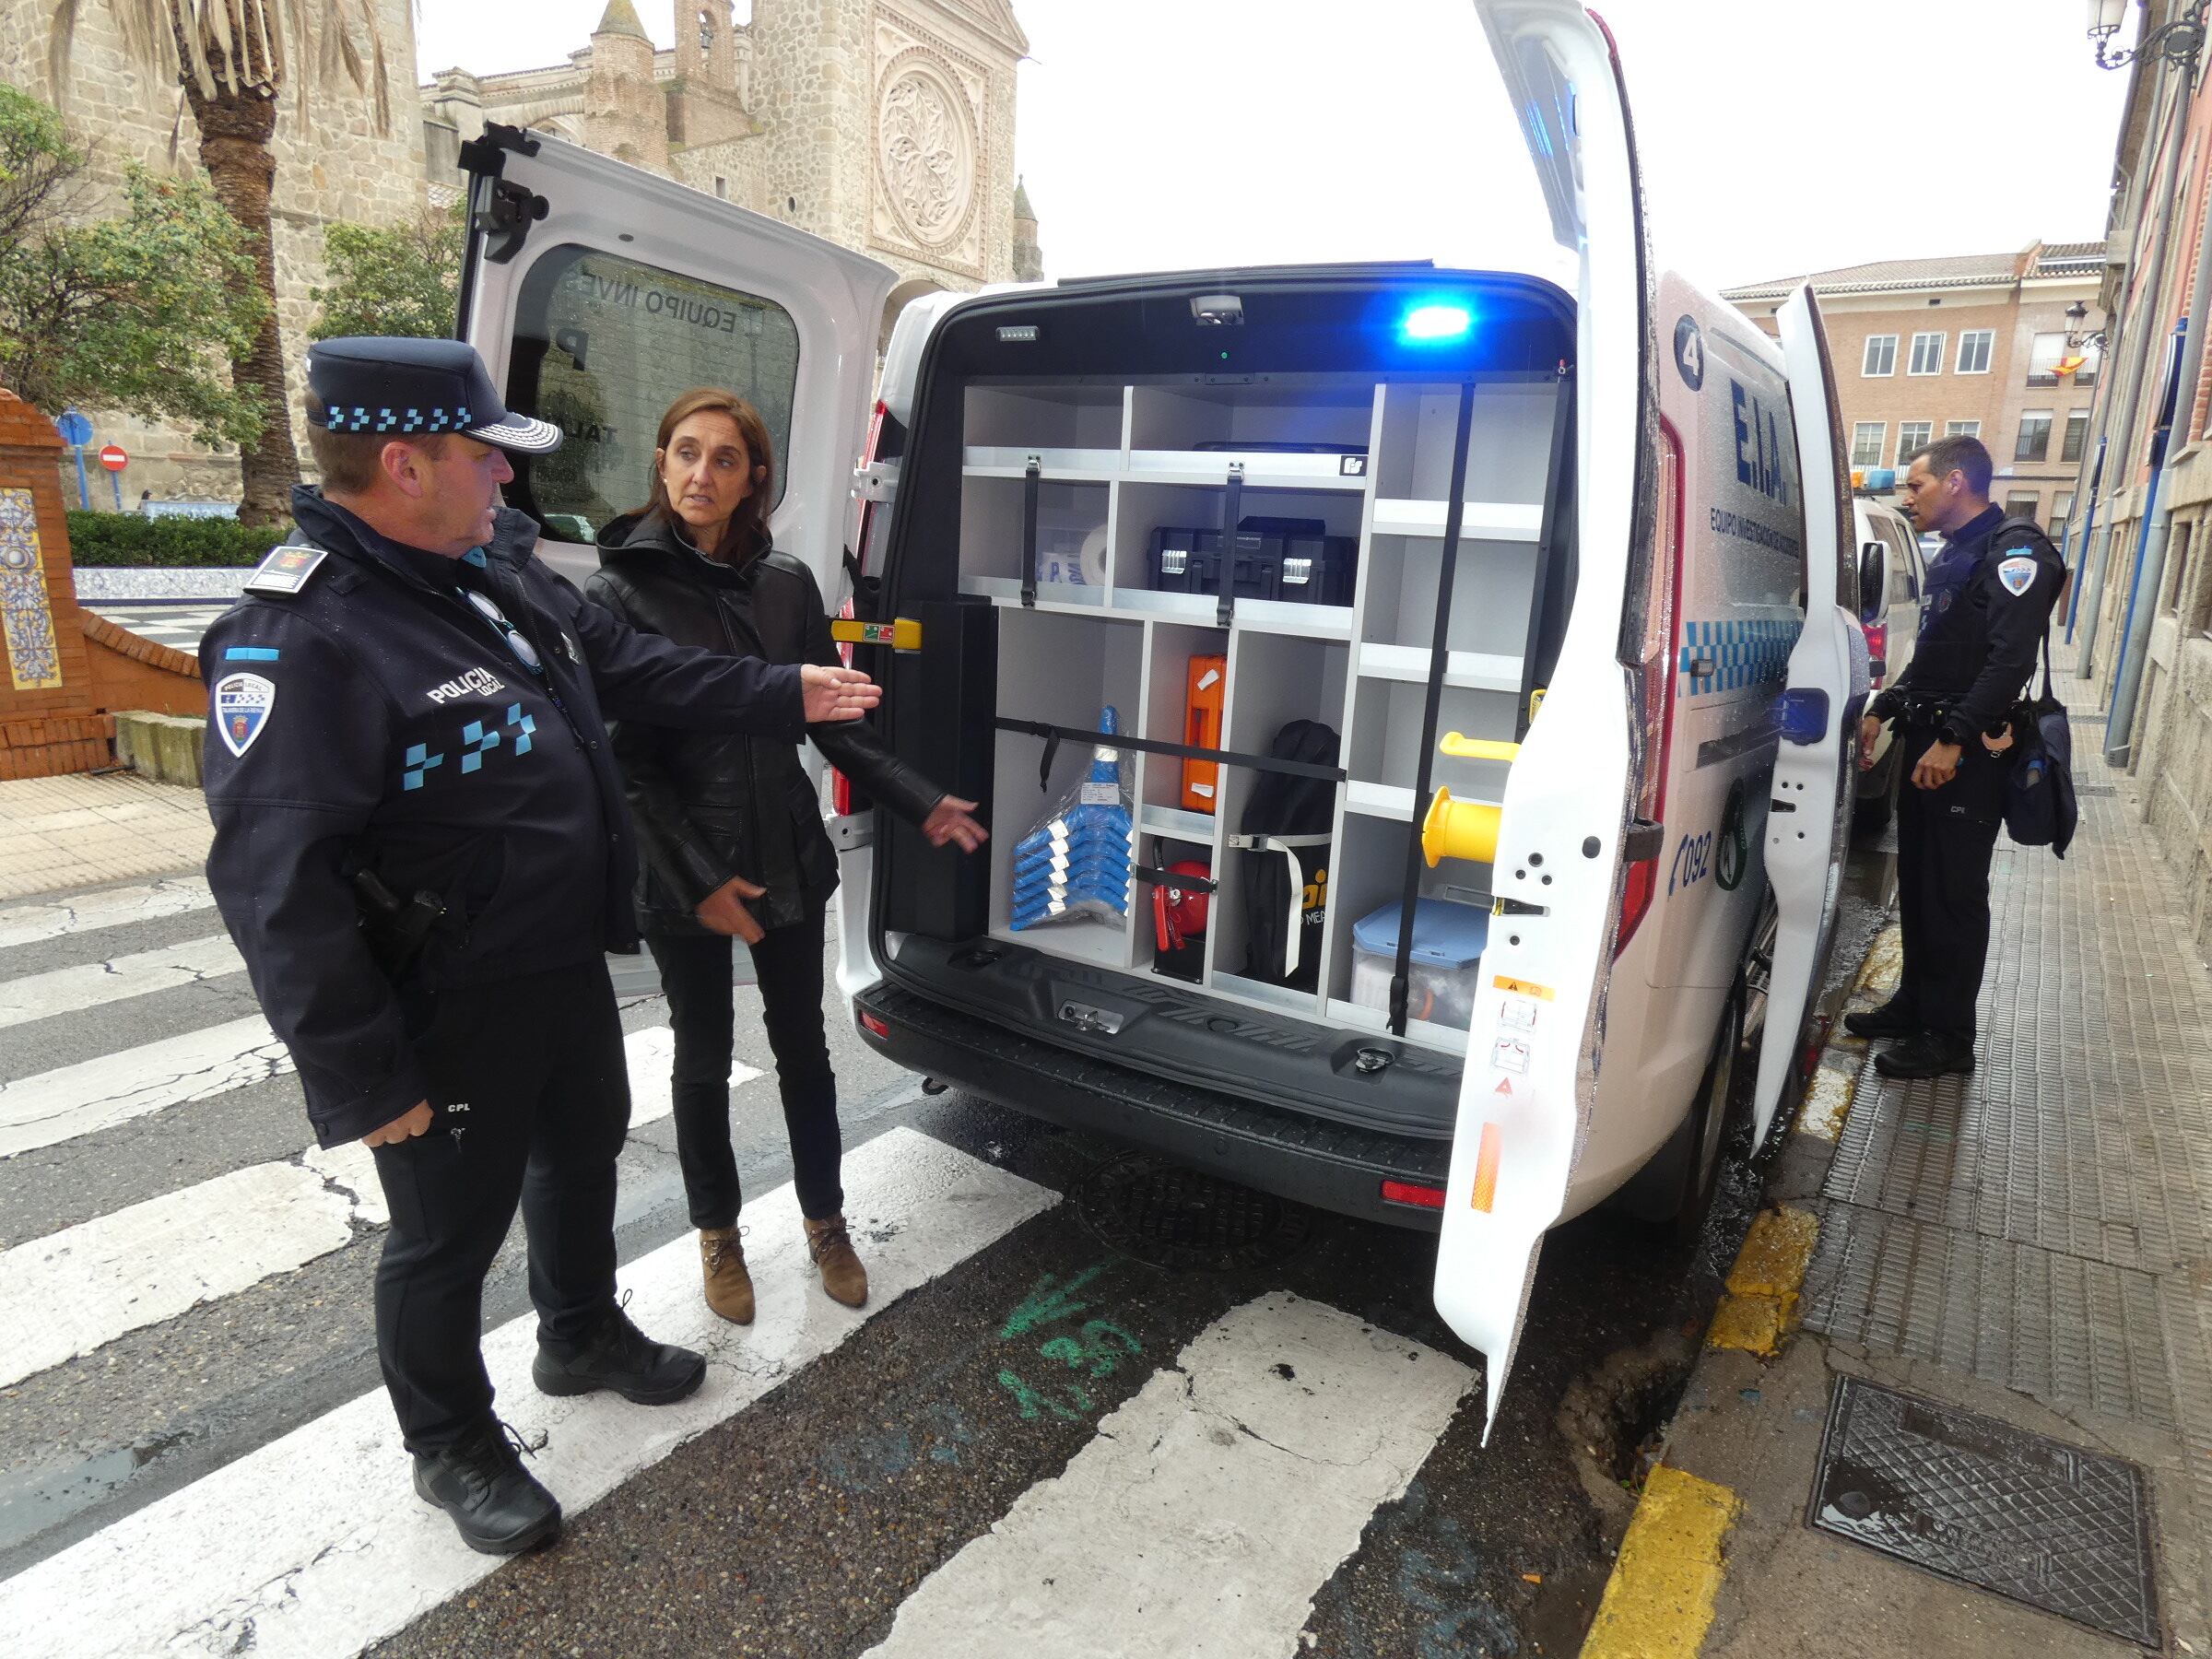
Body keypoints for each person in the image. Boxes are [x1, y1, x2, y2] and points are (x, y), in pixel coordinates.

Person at [198, 337, 881, 1558]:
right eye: (484, 460)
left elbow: (627, 664)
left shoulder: (486, 567)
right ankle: (452, 1442)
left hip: (557, 961)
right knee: (444, 1235)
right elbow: (275, 888)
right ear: (405, 465)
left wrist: (784, 694)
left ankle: (578, 1333)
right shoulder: (304, 637)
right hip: (440, 996)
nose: (506, 486)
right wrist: (363, 1077)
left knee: (580, 1151)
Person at [584, 388, 985, 1324]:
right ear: (660, 461)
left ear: (752, 478)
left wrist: (920, 800)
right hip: (687, 868)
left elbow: (835, 722)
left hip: (788, 854)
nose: (701, 474)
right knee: (702, 1057)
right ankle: (718, 1238)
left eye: (725, 459)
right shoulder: (617, 593)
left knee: (805, 1051)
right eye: (686, 453)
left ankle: (825, 1221)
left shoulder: (787, 583)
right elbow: (625, 766)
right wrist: (701, 883)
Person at [1848, 434, 2064, 1079]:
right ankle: (1915, 1004)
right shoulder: (1958, 553)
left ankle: (1949, 1039)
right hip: (1929, 743)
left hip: (1967, 755)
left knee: (1953, 894)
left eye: (1916, 486)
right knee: (1917, 882)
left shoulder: (2016, 554)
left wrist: (1954, 738)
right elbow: (1940, 656)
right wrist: (1885, 709)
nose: (1908, 496)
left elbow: (2008, 662)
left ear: (1956, 483)